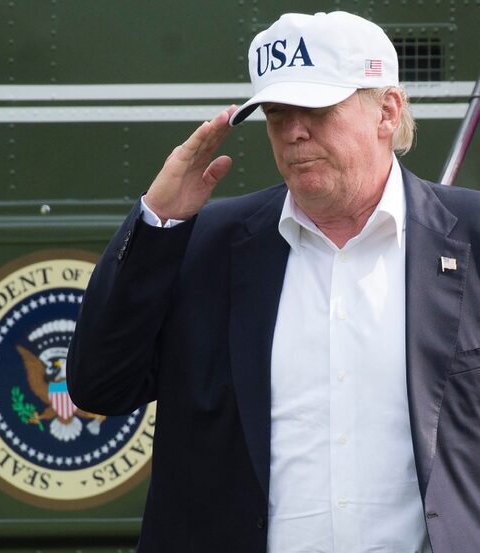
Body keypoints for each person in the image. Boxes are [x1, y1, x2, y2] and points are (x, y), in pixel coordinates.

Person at [67, 11, 480, 553]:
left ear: (387, 110)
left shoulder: (469, 237)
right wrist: (157, 222)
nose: (293, 132)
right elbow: (101, 386)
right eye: (277, 114)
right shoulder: (204, 243)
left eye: (316, 108)